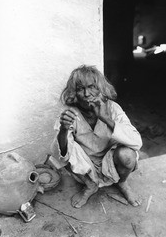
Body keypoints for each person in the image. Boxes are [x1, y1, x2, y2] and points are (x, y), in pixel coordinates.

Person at [51, 65, 143, 209]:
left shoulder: (112, 108)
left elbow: (136, 142)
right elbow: (61, 152)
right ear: (75, 93)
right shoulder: (70, 112)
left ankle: (122, 182)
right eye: (80, 89)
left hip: (110, 160)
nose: (87, 93)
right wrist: (63, 129)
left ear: (100, 88)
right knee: (60, 147)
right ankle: (90, 185)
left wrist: (106, 119)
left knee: (127, 155)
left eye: (92, 87)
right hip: (86, 164)